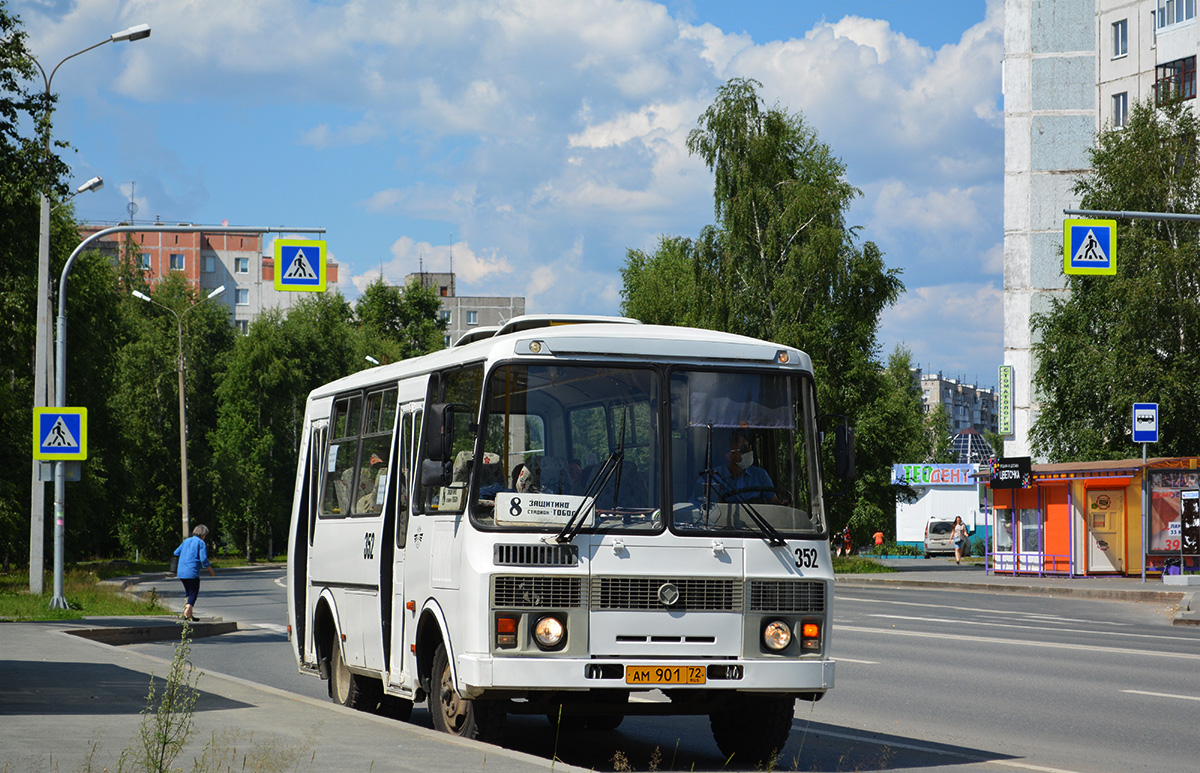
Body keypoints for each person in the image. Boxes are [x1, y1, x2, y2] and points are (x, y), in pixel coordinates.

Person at [692, 429, 781, 507]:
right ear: (728, 453)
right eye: (744, 449)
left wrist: (782, 505)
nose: (750, 452)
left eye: (749, 448)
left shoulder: (760, 475)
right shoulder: (710, 478)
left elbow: (776, 507)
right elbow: (695, 509)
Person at [173, 524, 215, 621]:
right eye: (205, 535)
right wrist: (211, 571)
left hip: (181, 572)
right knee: (193, 594)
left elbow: (176, 552)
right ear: (203, 534)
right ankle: (186, 612)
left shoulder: (186, 541)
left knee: (189, 592)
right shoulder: (201, 543)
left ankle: (190, 616)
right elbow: (203, 560)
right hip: (192, 572)